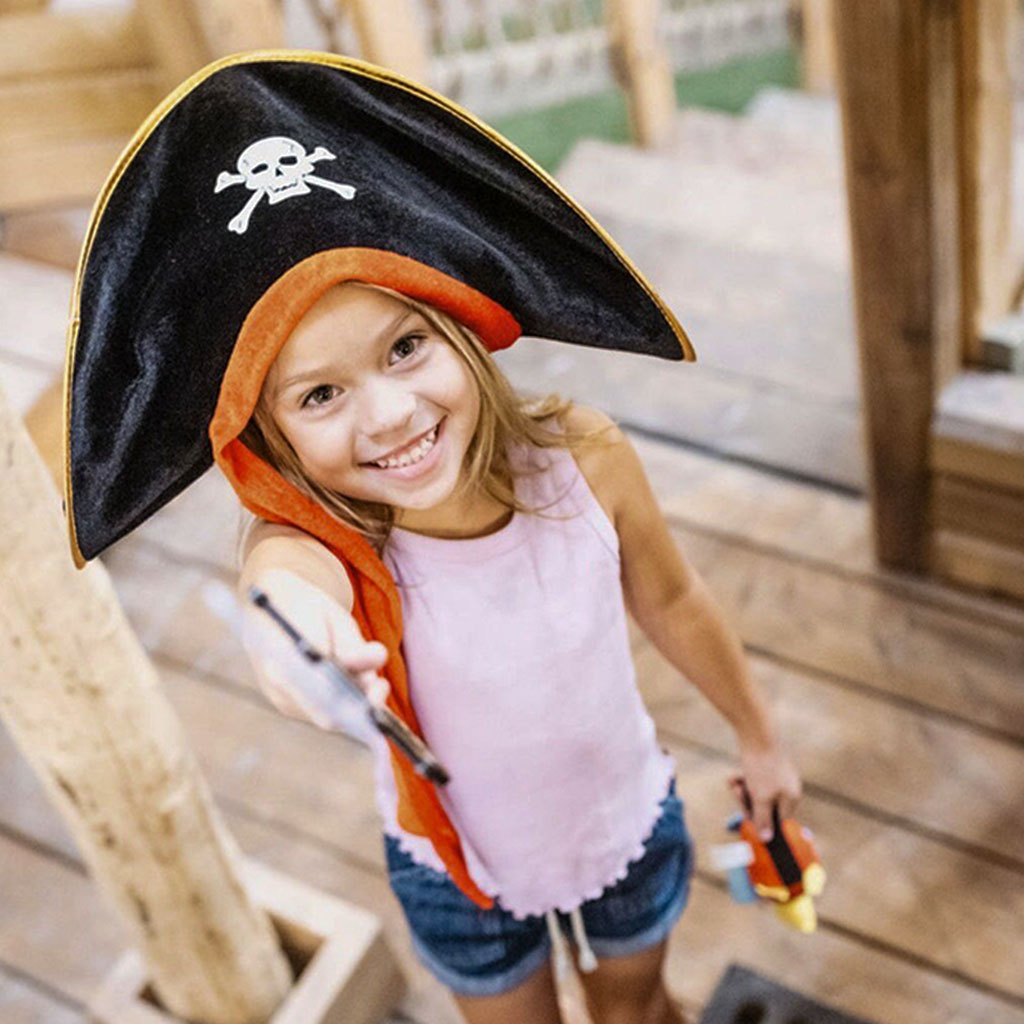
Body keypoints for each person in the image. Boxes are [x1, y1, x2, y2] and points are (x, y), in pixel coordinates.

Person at [63, 52, 802, 1024]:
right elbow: (283, 580)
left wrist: (758, 736)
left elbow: (671, 597)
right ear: (267, 433)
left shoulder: (585, 456)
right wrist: (281, 623)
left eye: (404, 346)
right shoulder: (328, 534)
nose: (390, 415)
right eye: (320, 395)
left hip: (624, 820)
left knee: (639, 1010)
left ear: (461, 321)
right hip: (462, 876)